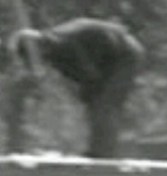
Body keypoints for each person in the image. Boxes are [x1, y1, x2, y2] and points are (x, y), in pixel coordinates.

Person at [8, 18, 144, 158]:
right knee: (96, 103)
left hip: (125, 55)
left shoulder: (64, 45)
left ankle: (103, 153)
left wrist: (88, 96)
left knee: (104, 104)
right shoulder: (53, 47)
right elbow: (82, 77)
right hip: (107, 59)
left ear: (38, 49)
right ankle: (98, 149)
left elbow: (90, 77)